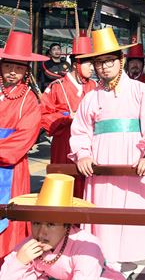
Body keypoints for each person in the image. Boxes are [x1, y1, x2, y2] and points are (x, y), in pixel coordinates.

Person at [69, 27, 145, 268]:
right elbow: (81, 130)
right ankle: (105, 260)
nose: (104, 67)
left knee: (132, 208)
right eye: (99, 62)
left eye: (109, 61)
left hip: (133, 159)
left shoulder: (141, 90)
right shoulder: (91, 97)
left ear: (121, 60)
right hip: (102, 162)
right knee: (103, 210)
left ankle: (128, 261)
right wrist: (83, 154)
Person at [0, 174, 124, 279]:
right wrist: (19, 261)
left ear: (67, 225)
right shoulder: (32, 243)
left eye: (51, 224)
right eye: (36, 223)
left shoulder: (87, 246)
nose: (41, 233)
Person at [0, 31, 48, 262]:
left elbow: (24, 138)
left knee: (9, 219)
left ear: (26, 70)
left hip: (12, 168)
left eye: (19, 68)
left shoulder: (29, 100)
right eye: (8, 65)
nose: (12, 72)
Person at [40, 36, 97, 198]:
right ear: (76, 64)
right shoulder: (57, 86)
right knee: (63, 184)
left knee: (87, 185)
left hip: (89, 142)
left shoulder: (94, 87)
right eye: (89, 64)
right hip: (64, 141)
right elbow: (44, 114)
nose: (92, 68)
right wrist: (66, 117)